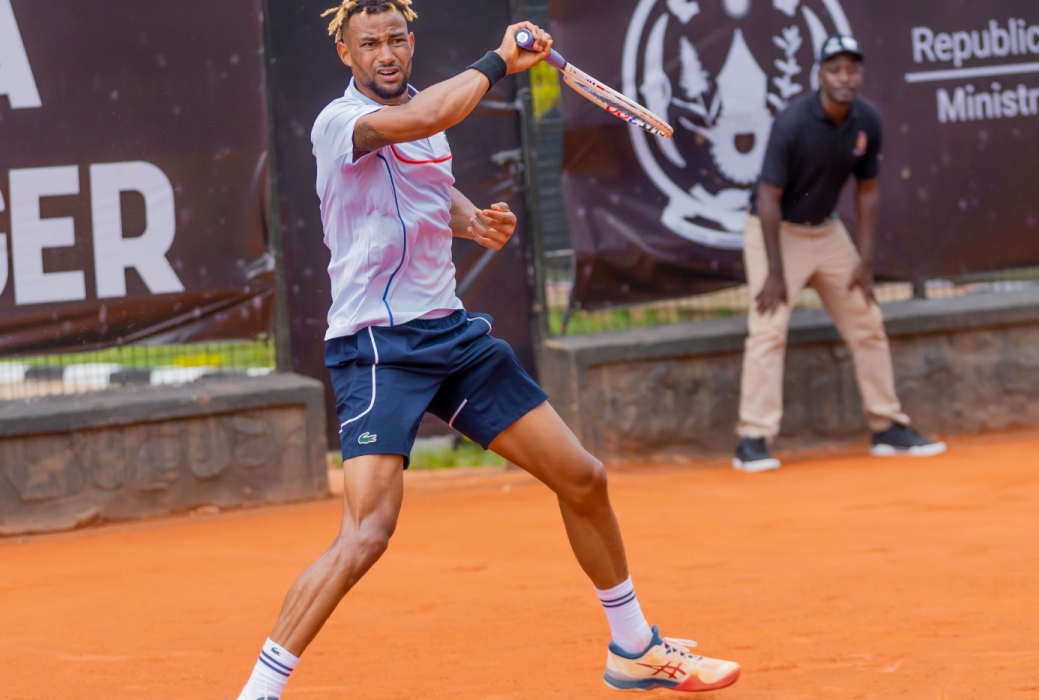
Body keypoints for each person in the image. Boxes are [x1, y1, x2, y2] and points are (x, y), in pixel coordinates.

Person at [232, 2, 740, 697]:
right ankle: (259, 691)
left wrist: (471, 221)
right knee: (367, 533)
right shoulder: (338, 122)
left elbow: (426, 178)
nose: (385, 53)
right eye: (369, 44)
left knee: (582, 478)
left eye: (396, 39)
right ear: (346, 56)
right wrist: (500, 60)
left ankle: (634, 648)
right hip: (379, 346)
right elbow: (422, 124)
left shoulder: (423, 106)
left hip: (451, 334)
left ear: (411, 44)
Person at [733, 34, 946, 473]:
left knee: (867, 320)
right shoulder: (792, 122)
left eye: (852, 70)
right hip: (774, 232)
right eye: (835, 69)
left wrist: (865, 261)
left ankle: (887, 426)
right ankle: (752, 437)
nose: (844, 78)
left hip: (828, 233)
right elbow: (768, 197)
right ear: (820, 76)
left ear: (860, 76)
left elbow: (867, 191)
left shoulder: (868, 120)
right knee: (768, 330)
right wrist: (774, 272)